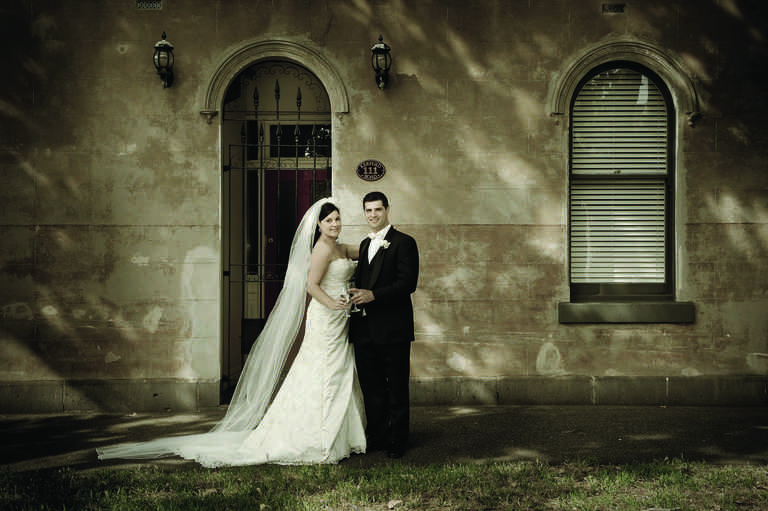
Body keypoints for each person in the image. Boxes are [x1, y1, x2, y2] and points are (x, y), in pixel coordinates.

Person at [97, 198, 366, 466]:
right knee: (323, 369)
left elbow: (363, 250)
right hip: (325, 316)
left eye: (337, 219)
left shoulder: (340, 248)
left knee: (339, 368)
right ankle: (316, 435)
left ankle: (342, 433)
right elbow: (311, 285)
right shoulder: (321, 250)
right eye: (328, 220)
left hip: (339, 319)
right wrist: (333, 303)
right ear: (318, 224)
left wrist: (379, 239)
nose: (334, 224)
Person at [348, 191, 419, 459]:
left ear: (387, 209)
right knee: (371, 387)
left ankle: (398, 440)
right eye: (368, 211)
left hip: (394, 329)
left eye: (378, 210)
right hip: (364, 330)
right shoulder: (365, 244)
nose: (373, 215)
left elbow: (407, 284)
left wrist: (374, 295)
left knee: (397, 387)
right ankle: (377, 436)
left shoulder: (405, 243)